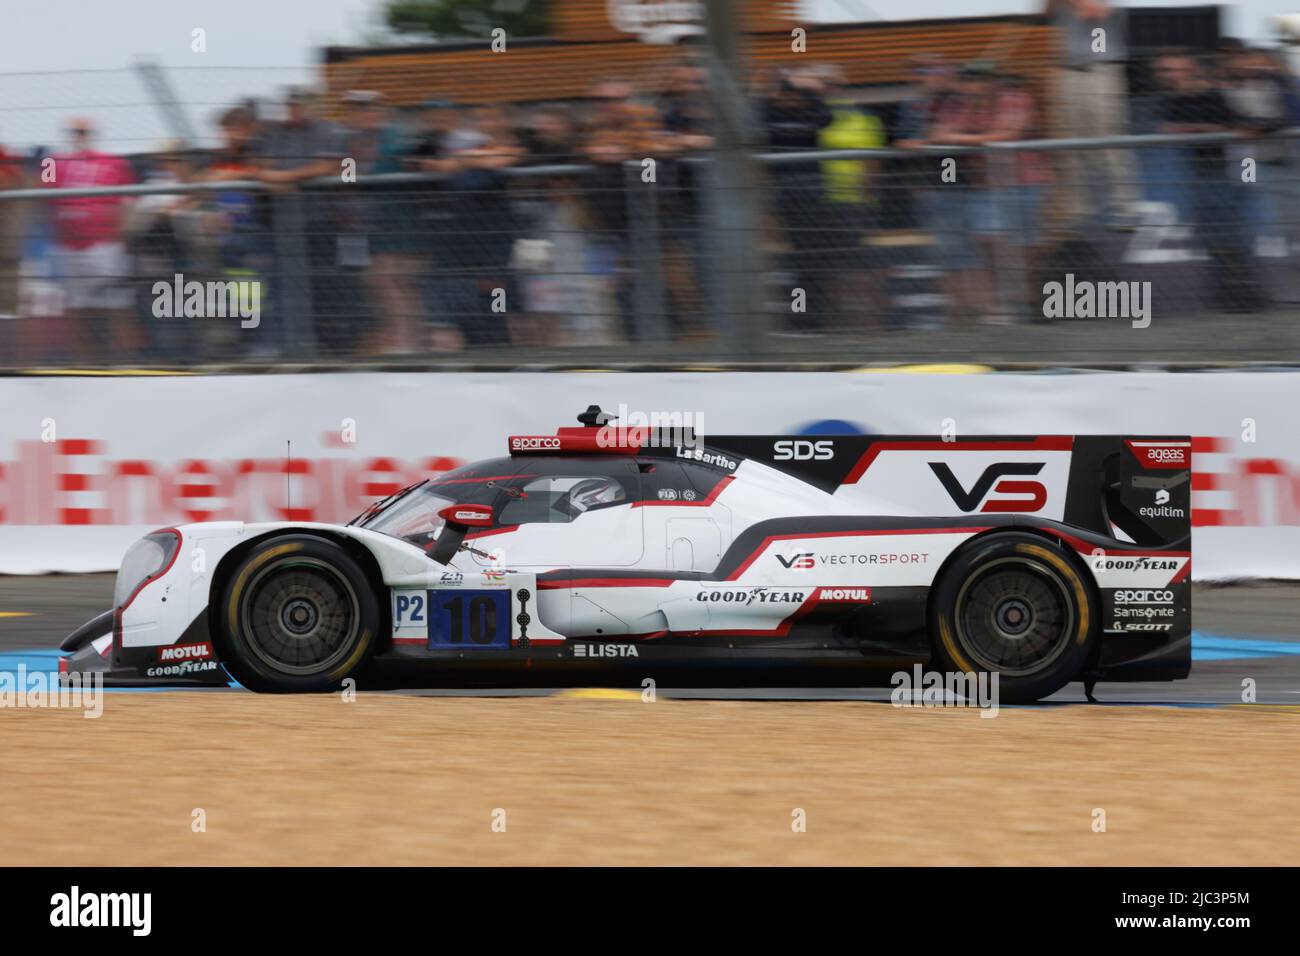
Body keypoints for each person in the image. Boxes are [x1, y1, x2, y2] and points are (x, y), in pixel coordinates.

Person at [256, 86, 353, 356]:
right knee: (285, 281)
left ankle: (332, 343)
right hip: (285, 222)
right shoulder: (277, 133)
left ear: (313, 106)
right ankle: (291, 343)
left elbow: (328, 167)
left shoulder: (328, 130)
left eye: (299, 104)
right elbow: (262, 167)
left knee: (323, 281)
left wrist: (285, 178)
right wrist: (273, 179)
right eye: (290, 105)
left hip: (319, 220)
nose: (293, 110)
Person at [44, 118, 136, 362]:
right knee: (78, 303)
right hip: (68, 245)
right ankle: (85, 359)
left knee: (113, 302)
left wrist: (122, 234)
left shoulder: (114, 162)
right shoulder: (51, 162)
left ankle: (118, 357)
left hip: (105, 243)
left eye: (84, 132)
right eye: (76, 132)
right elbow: (43, 201)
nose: (80, 136)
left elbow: (128, 202)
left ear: (92, 134)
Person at [1044, 0, 1141, 228]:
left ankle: (1123, 208)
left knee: (1108, 140)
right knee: (1071, 142)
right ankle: (1079, 210)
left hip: (1101, 68)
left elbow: (1093, 11)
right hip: (1068, 69)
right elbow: (1047, 12)